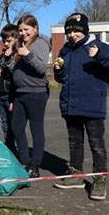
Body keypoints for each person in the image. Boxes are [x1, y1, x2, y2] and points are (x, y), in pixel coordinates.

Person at [53, 13, 109, 201]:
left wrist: (100, 56)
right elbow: (60, 79)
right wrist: (58, 71)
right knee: (75, 143)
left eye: (76, 30)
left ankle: (100, 179)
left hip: (93, 106)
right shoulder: (65, 50)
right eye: (69, 31)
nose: (72, 34)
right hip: (71, 105)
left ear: (85, 30)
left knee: (97, 145)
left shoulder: (100, 47)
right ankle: (75, 175)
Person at [11, 14, 50, 178]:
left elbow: (41, 68)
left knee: (36, 129)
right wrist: (8, 59)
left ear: (35, 29)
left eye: (26, 29)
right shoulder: (21, 45)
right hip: (20, 93)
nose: (23, 33)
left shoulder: (40, 43)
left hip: (36, 93)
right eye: (20, 30)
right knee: (16, 127)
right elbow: (15, 69)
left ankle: (35, 165)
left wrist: (27, 54)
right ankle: (24, 161)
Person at [0, 24, 18, 152]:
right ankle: (10, 148)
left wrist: (8, 58)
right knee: (4, 124)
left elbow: (14, 71)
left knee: (14, 124)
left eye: (9, 40)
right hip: (2, 93)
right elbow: (0, 69)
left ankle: (17, 149)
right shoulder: (3, 55)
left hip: (11, 94)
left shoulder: (16, 55)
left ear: (16, 39)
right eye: (4, 41)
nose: (6, 43)